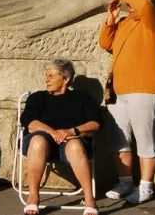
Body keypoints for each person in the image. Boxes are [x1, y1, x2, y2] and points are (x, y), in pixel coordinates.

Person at [98, 0, 155, 204]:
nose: (131, 6)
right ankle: (125, 181)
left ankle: (146, 187)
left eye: (134, 1)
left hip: (145, 89)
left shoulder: (153, 21)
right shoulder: (125, 23)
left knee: (145, 139)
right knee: (119, 140)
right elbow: (106, 43)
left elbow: (144, 5)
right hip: (119, 90)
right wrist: (111, 19)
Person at [18, 59, 101, 215]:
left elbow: (96, 124)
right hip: (42, 140)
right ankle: (33, 197)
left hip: (71, 141)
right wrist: (53, 132)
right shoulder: (38, 97)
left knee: (75, 145)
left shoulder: (81, 98)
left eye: (51, 75)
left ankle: (89, 199)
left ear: (66, 79)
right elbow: (29, 122)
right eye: (45, 75)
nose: (46, 79)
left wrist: (72, 131)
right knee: (37, 141)